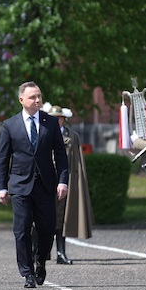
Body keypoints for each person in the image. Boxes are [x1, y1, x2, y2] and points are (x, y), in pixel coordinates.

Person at [0, 81, 69, 288]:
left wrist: (62, 181)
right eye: (32, 97)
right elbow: (3, 159)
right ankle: (27, 272)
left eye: (39, 96)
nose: (37, 100)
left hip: (46, 185)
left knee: (46, 229)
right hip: (20, 186)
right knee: (22, 229)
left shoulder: (50, 123)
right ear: (22, 100)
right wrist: (2, 187)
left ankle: (40, 261)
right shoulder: (10, 125)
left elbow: (60, 155)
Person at [45, 104, 94, 264]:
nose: (56, 120)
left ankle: (61, 252)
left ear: (63, 119)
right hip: (44, 181)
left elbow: (77, 162)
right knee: (40, 217)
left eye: (58, 118)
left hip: (63, 181)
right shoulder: (41, 133)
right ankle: (41, 251)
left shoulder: (71, 136)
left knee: (61, 218)